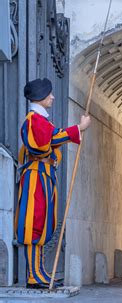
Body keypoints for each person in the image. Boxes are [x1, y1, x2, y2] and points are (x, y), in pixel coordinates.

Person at [14, 78, 91, 289]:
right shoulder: (34, 120)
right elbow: (45, 143)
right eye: (49, 94)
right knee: (34, 223)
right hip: (36, 175)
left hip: (44, 174)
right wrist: (78, 128)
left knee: (42, 222)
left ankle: (39, 272)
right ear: (41, 96)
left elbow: (51, 139)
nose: (53, 97)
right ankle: (33, 275)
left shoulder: (41, 120)